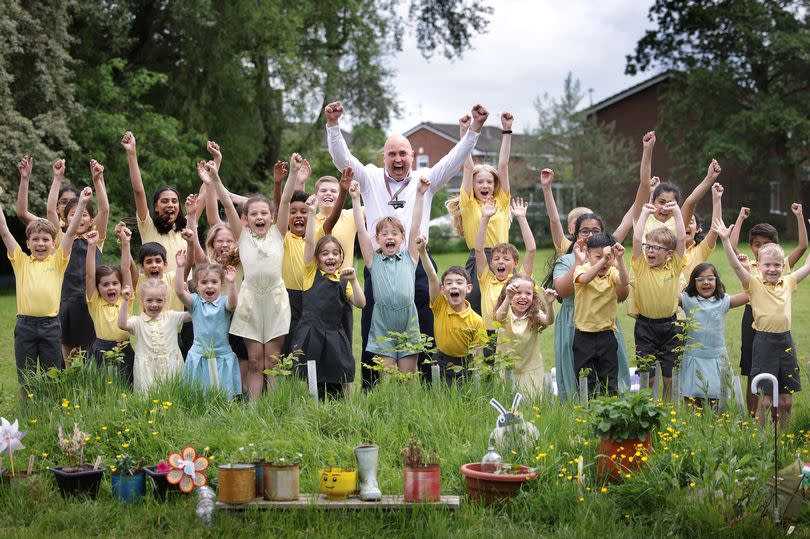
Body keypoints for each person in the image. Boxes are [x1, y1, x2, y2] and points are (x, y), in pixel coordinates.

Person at [324, 100, 489, 387]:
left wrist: (474, 128)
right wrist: (333, 126)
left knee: (426, 322)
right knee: (372, 322)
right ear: (383, 156)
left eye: (403, 154)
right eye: (392, 155)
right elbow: (343, 161)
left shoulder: (424, 180)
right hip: (379, 264)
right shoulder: (370, 178)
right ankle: (372, 387)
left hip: (416, 262)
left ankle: (426, 384)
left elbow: (453, 159)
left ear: (412, 156)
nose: (398, 160)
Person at [203, 155, 298, 401]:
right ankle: (254, 409)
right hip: (250, 301)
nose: (259, 217)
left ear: (271, 217)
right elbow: (225, 200)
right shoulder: (242, 236)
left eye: (264, 213)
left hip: (275, 300)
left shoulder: (279, 234)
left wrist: (294, 173)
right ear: (246, 219)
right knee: (256, 361)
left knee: (272, 361)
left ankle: (276, 408)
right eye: (253, 213)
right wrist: (215, 177)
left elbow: (286, 199)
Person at [714, 217, 810, 426]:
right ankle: (761, 440)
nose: (773, 269)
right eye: (767, 265)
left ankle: (784, 441)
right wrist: (725, 240)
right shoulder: (754, 284)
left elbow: (808, 265)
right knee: (765, 401)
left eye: (777, 265)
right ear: (759, 266)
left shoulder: (788, 281)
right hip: (764, 343)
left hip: (786, 343)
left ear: (782, 267)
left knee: (785, 401)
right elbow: (735, 265)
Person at [0, 185, 90, 398]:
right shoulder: (20, 261)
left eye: (45, 240)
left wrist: (83, 203)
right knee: (27, 377)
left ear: (52, 243)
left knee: (53, 377)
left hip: (51, 326)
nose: (40, 244)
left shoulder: (58, 261)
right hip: (25, 326)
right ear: (28, 243)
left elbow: (68, 234)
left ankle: (52, 413)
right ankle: (27, 414)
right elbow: (3, 230)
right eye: (36, 240)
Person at [353, 176, 430, 375]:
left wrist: (420, 194)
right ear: (377, 239)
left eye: (394, 233)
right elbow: (361, 231)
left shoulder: (410, 258)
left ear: (402, 239)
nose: (389, 237)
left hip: (408, 321)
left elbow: (415, 225)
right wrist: (355, 199)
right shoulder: (373, 261)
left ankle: (406, 406)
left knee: (406, 378)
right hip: (383, 322)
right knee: (387, 379)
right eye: (384, 234)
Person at [291, 195, 366, 399]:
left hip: (334, 337)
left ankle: (339, 409)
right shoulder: (310, 274)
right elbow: (309, 243)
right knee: (312, 379)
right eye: (324, 253)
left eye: (335, 253)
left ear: (342, 258)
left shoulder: (343, 281)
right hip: (311, 334)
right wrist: (311, 212)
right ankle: (313, 409)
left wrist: (354, 280)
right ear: (317, 258)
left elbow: (361, 303)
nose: (330, 257)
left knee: (337, 376)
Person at [446, 112, 513, 313]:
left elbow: (503, 165)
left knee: (506, 312)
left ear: (495, 185)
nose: (485, 185)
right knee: (476, 311)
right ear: (473, 186)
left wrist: (507, 129)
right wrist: (464, 133)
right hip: (478, 260)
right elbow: (467, 167)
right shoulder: (469, 204)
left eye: (489, 182)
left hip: (503, 259)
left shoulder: (501, 201)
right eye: (480, 181)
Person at [632, 201, 687, 398]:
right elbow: (637, 239)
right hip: (645, 327)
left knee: (669, 377)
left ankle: (669, 410)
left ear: (669, 254)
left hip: (671, 326)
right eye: (649, 247)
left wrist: (677, 213)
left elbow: (681, 239)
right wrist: (645, 215)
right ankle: (645, 409)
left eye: (656, 248)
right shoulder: (641, 266)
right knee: (649, 376)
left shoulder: (674, 266)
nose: (650, 251)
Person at [58, 159, 110, 363]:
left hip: (91, 302)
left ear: (90, 220)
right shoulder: (63, 240)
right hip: (67, 303)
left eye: (85, 215)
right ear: (66, 219)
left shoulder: (95, 240)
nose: (80, 218)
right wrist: (58, 179)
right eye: (73, 214)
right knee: (68, 354)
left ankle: (91, 388)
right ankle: (68, 388)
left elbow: (104, 210)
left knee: (91, 352)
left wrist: (98, 179)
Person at [417, 236, 485, 384]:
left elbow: (479, 353)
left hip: (465, 365)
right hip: (440, 361)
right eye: (449, 283)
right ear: (442, 289)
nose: (454, 286)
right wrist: (422, 252)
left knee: (463, 399)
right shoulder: (440, 305)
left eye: (459, 282)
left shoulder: (476, 320)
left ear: (468, 288)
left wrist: (479, 377)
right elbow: (432, 277)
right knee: (441, 399)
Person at [174, 251, 241, 399]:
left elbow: (233, 304)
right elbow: (179, 292)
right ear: (197, 286)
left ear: (220, 284)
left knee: (223, 394)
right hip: (200, 354)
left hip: (221, 354)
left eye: (214, 282)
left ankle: (223, 411)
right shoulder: (195, 303)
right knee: (199, 394)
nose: (209, 286)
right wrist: (180, 267)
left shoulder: (224, 302)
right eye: (204, 283)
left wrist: (232, 283)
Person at [680, 263, 748, 406]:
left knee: (716, 401)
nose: (706, 282)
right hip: (694, 357)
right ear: (693, 282)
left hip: (716, 358)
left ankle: (714, 427)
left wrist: (746, 269)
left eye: (710, 279)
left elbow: (750, 294)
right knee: (691, 401)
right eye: (700, 279)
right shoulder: (687, 300)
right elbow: (668, 295)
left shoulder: (723, 301)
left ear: (716, 281)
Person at [120, 131, 187, 272]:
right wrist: (131, 153)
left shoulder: (187, 229)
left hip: (184, 293)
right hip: (154, 291)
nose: (170, 204)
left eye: (174, 201)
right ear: (156, 207)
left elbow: (205, 193)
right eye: (165, 201)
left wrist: (214, 167)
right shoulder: (148, 225)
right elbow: (138, 191)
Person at [571, 233, 629, 396]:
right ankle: (586, 413)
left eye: (608, 257)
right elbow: (584, 280)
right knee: (585, 381)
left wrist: (620, 259)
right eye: (598, 256)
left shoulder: (611, 273)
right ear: (587, 255)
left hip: (606, 335)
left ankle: (610, 414)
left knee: (610, 381)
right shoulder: (581, 269)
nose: (604, 261)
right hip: (584, 336)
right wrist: (605, 259)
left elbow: (624, 281)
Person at [474, 197, 535, 340]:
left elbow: (531, 250)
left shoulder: (519, 280)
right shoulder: (486, 279)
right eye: (496, 259)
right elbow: (478, 250)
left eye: (506, 259)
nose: (500, 262)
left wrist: (521, 218)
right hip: (488, 335)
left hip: (511, 334)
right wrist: (484, 218)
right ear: (491, 263)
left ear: (515, 263)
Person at [85, 224, 135, 384]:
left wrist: (125, 243)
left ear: (121, 286)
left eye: (115, 283)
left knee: (125, 386)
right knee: (102, 387)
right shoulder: (96, 302)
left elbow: (126, 269)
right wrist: (92, 247)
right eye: (105, 285)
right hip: (101, 350)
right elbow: (90, 275)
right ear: (98, 288)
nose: (111, 287)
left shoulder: (126, 297)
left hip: (124, 349)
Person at [118, 280, 189, 393]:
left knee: (173, 394)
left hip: (171, 366)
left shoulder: (171, 317)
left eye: (159, 300)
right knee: (148, 397)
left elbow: (192, 315)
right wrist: (125, 300)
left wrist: (187, 297)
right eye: (149, 300)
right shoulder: (137, 322)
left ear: (164, 301)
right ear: (142, 302)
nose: (154, 304)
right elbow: (122, 324)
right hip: (147, 369)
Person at [493, 274, 556, 396]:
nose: (523, 297)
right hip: (505, 368)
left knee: (530, 404)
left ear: (533, 296)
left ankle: (552, 383)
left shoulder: (534, 314)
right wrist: (508, 298)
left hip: (530, 368)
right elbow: (498, 318)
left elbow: (549, 320)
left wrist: (549, 304)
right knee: (507, 403)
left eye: (528, 293)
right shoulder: (506, 311)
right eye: (518, 293)